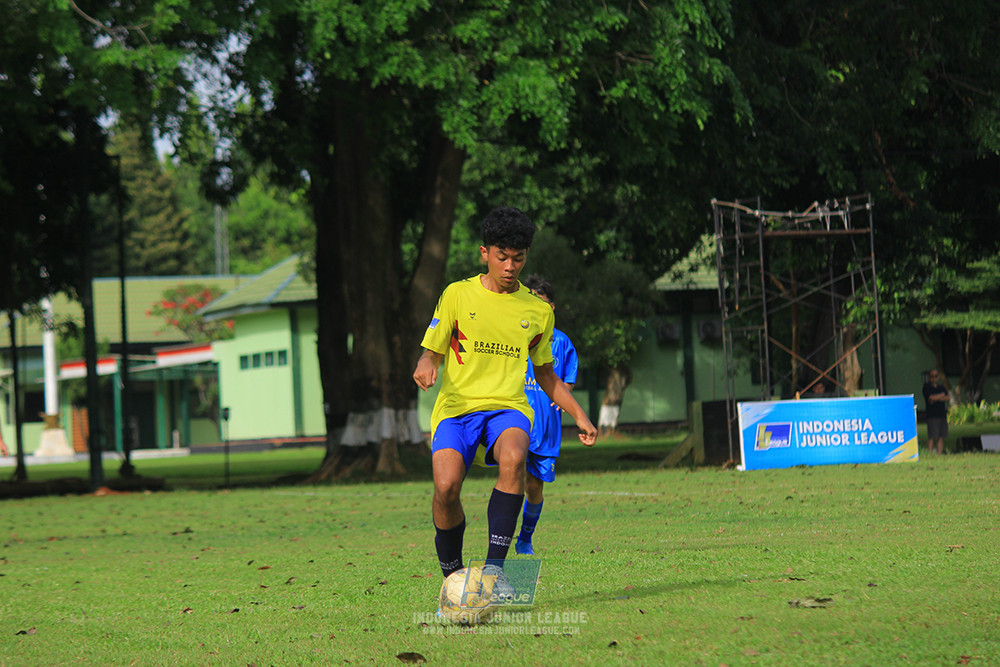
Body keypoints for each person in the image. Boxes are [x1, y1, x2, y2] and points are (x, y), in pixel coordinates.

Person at [412, 206, 597, 597]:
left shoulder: (537, 310)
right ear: (485, 253)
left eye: (519, 258)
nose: (510, 266)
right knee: (446, 488)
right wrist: (426, 365)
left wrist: (579, 414)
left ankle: (495, 575)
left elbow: (547, 374)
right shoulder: (457, 295)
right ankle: (454, 578)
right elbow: (432, 352)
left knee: (515, 456)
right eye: (502, 257)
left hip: (507, 406)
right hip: (458, 408)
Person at [514, 275, 578, 556]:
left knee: (534, 486)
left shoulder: (562, 342)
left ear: (550, 308)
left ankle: (525, 537)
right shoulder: (513, 336)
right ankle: (502, 538)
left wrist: (564, 398)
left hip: (547, 427)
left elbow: (567, 380)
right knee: (511, 477)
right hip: (515, 419)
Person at [923, 369, 949, 454]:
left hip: (942, 414)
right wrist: (941, 395)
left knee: (941, 436)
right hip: (932, 415)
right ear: (929, 377)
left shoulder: (941, 387)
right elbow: (930, 398)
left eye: (936, 376)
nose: (934, 378)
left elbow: (947, 397)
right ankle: (930, 453)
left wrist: (936, 398)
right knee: (932, 436)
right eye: (932, 376)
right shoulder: (927, 387)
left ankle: (939, 453)